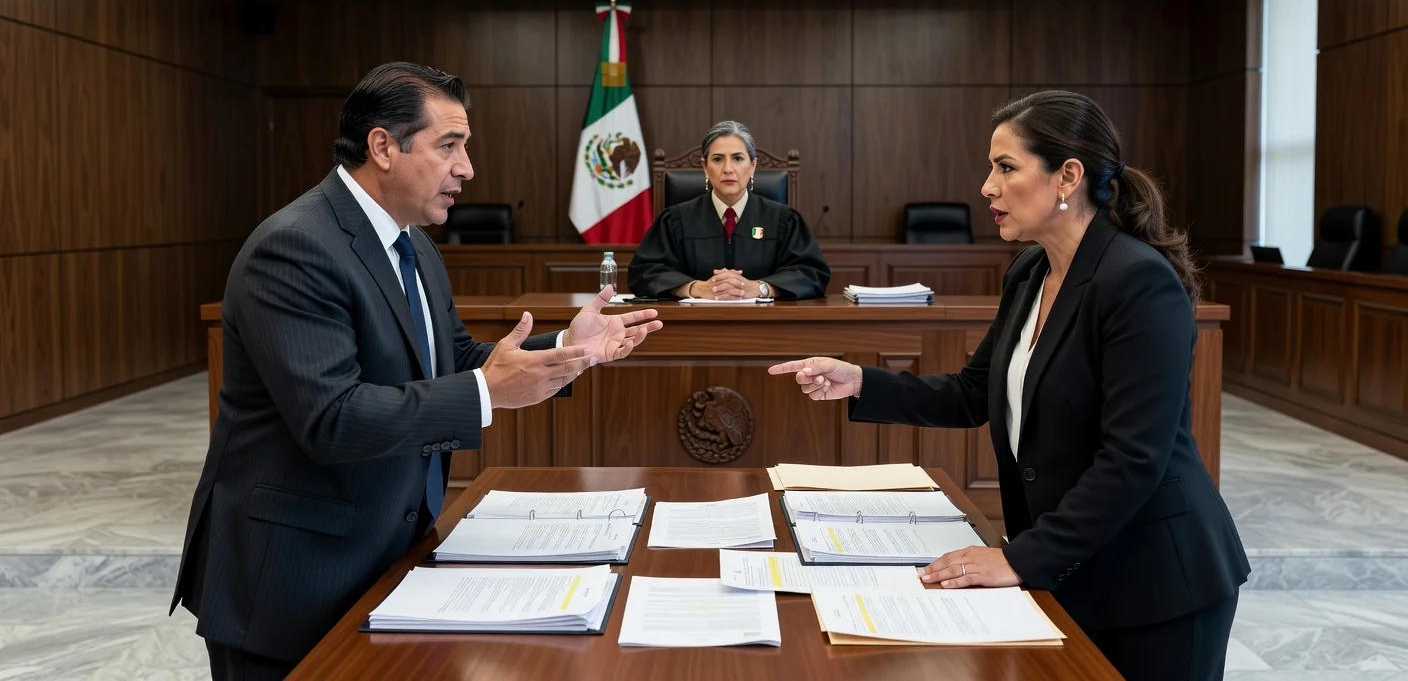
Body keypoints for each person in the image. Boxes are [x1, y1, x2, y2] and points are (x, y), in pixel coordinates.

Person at [170, 62, 663, 680]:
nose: (467, 169)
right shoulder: (293, 247)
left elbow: (449, 360)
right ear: (383, 146)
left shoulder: (414, 243)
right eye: (449, 146)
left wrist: (567, 344)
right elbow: (331, 419)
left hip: (386, 551)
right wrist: (488, 391)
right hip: (294, 575)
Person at [769, 91, 1249, 681]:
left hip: (1154, 583)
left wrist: (1018, 559)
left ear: (1067, 176)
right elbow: (975, 392)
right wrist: (860, 382)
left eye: (1005, 167)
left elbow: (1133, 458)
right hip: (1074, 567)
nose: (986, 187)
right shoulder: (1031, 269)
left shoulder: (1137, 283)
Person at [628, 120, 830, 300]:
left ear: (753, 166)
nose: (728, 169)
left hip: (768, 330)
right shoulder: (675, 220)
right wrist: (694, 288)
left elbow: (811, 273)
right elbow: (644, 273)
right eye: (717, 159)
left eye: (738, 158)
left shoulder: (783, 220)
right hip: (693, 329)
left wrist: (760, 288)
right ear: (705, 168)